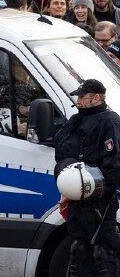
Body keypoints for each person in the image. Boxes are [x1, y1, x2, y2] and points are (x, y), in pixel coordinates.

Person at [52, 79, 120, 275]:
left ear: (96, 97)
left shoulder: (110, 121)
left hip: (99, 200)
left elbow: (114, 164)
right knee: (79, 248)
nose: (78, 101)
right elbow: (63, 152)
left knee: (104, 251)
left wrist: (96, 190)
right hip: (76, 198)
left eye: (82, 96)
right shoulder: (76, 120)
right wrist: (69, 189)